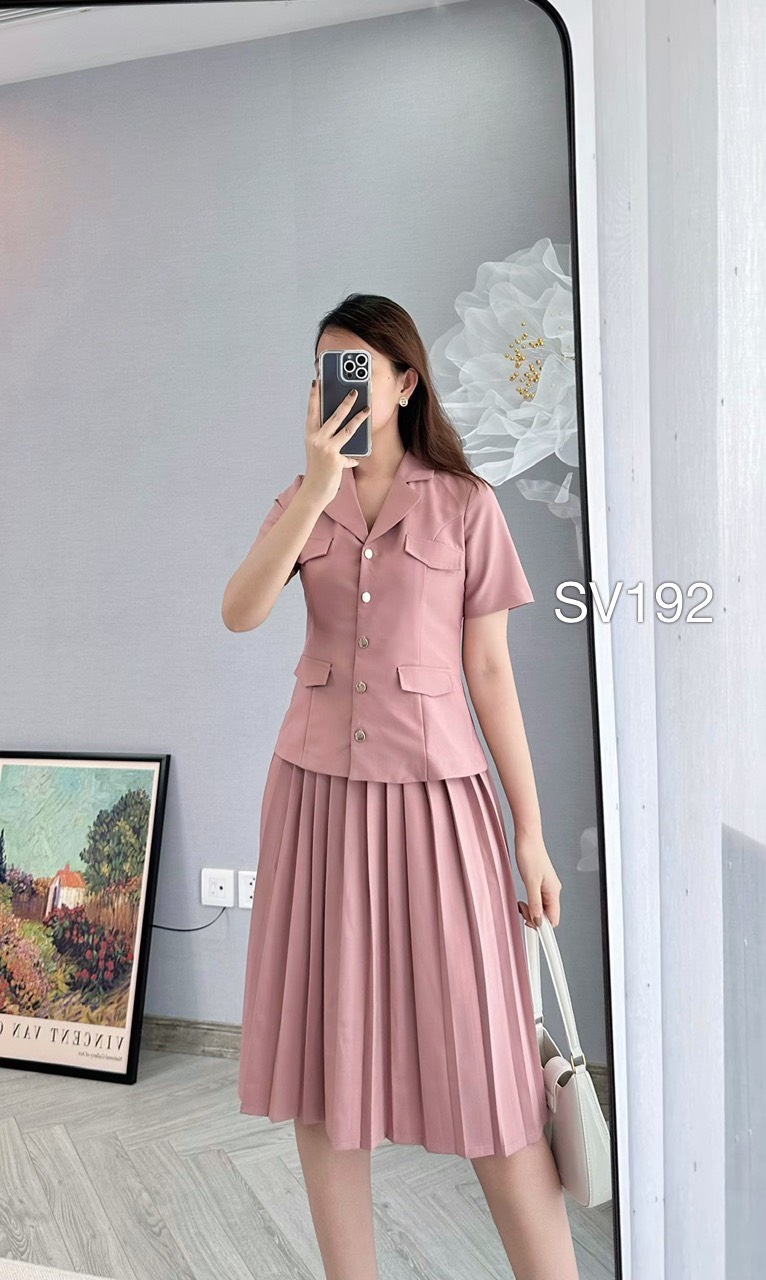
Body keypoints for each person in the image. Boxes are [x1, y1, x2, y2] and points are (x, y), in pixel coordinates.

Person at [222, 294, 579, 1280]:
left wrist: (531, 832)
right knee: (324, 1065)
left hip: (438, 805)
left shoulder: (466, 504)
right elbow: (240, 612)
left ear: (407, 383)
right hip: (317, 803)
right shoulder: (303, 499)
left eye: (358, 368)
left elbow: (491, 674)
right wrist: (314, 488)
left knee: (492, 1065)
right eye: (324, 368)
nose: (337, 385)